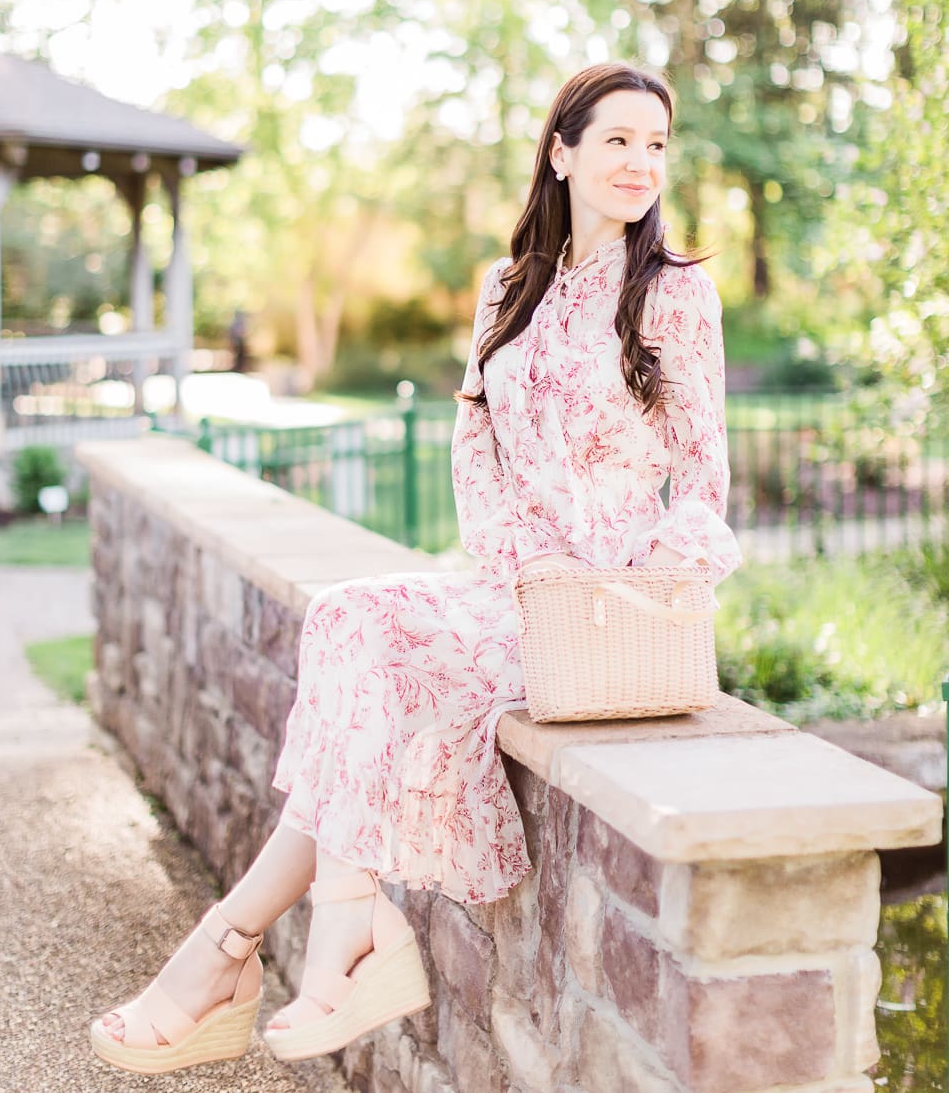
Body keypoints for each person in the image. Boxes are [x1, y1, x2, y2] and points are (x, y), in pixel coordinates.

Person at [89, 61, 741, 1073]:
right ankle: (326, 927)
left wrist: (641, 584)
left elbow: (704, 480)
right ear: (560, 151)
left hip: (609, 617)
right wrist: (518, 565)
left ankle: (245, 953)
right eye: (616, 139)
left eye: (656, 144)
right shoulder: (508, 285)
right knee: (352, 634)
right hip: (513, 593)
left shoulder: (675, 293)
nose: (639, 162)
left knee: (358, 644)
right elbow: (471, 448)